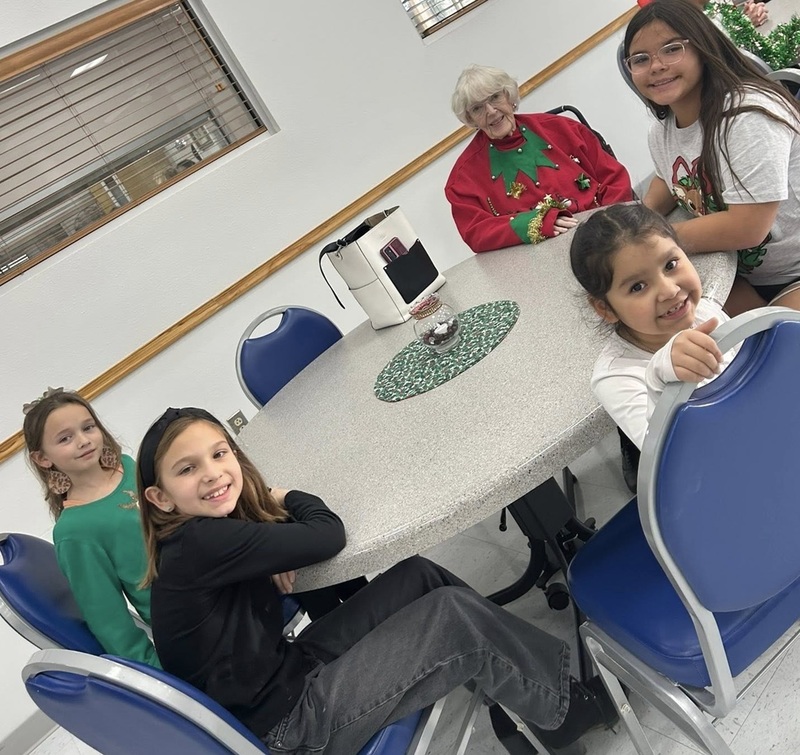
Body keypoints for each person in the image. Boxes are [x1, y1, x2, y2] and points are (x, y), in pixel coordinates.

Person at [137, 407, 617, 755]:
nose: (212, 473)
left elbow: (293, 538)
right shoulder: (202, 542)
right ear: (159, 497)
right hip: (286, 727)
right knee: (453, 617)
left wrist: (269, 534)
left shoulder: (202, 538)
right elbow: (328, 534)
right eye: (188, 468)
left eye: (219, 454)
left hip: (281, 676)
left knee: (417, 575)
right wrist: (280, 495)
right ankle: (564, 712)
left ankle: (518, 694)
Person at [625, 0, 800, 316]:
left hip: (793, 270)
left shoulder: (746, 117)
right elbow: (668, 180)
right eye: (640, 59)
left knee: (771, 347)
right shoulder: (662, 132)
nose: (656, 65)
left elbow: (746, 228)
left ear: (702, 49)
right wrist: (631, 225)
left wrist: (650, 241)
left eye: (671, 49)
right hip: (740, 271)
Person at [570, 204, 740, 449]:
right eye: (638, 287)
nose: (669, 291)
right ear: (605, 308)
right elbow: (669, 458)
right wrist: (660, 375)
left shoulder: (705, 312)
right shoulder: (616, 376)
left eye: (671, 265)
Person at [22, 388, 159, 666]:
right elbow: (110, 623)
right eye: (65, 438)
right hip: (194, 620)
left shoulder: (130, 467)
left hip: (219, 577)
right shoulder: (74, 532)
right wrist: (165, 676)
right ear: (43, 458)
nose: (83, 441)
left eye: (88, 427)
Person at [445, 64, 633, 253]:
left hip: (606, 236)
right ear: (470, 119)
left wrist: (611, 230)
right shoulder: (463, 179)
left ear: (508, 96)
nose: (491, 111)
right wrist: (536, 222)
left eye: (495, 97)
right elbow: (477, 233)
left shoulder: (564, 129)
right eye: (478, 108)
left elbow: (615, 180)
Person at [637, 0, 769, 29]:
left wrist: (747, 15)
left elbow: (727, 19)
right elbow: (711, 50)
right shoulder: (670, 16)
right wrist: (746, 23)